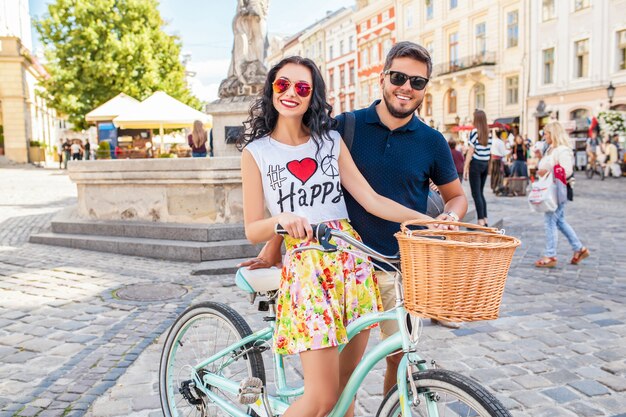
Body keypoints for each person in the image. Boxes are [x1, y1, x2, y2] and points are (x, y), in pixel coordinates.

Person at [239, 42, 468, 398]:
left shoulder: (427, 141)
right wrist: (275, 241)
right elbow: (290, 202)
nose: (406, 86)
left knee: (385, 362)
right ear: (383, 78)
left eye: (417, 82)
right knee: (328, 392)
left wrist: (436, 220)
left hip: (375, 263)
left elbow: (391, 199)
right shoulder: (343, 127)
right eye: (398, 77)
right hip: (320, 261)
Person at [534, 121, 589, 268]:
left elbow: (567, 170)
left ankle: (550, 255)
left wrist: (548, 171)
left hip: (558, 190)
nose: (544, 136)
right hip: (551, 188)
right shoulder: (551, 149)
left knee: (550, 221)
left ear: (553, 134)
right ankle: (579, 248)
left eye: (545, 133)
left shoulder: (563, 150)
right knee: (560, 221)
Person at [463, 110, 491, 227]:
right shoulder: (488, 132)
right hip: (485, 164)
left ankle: (480, 219)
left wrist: (465, 168)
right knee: (481, 192)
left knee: (476, 193)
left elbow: (470, 151)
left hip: (476, 164)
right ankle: (485, 218)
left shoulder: (474, 132)